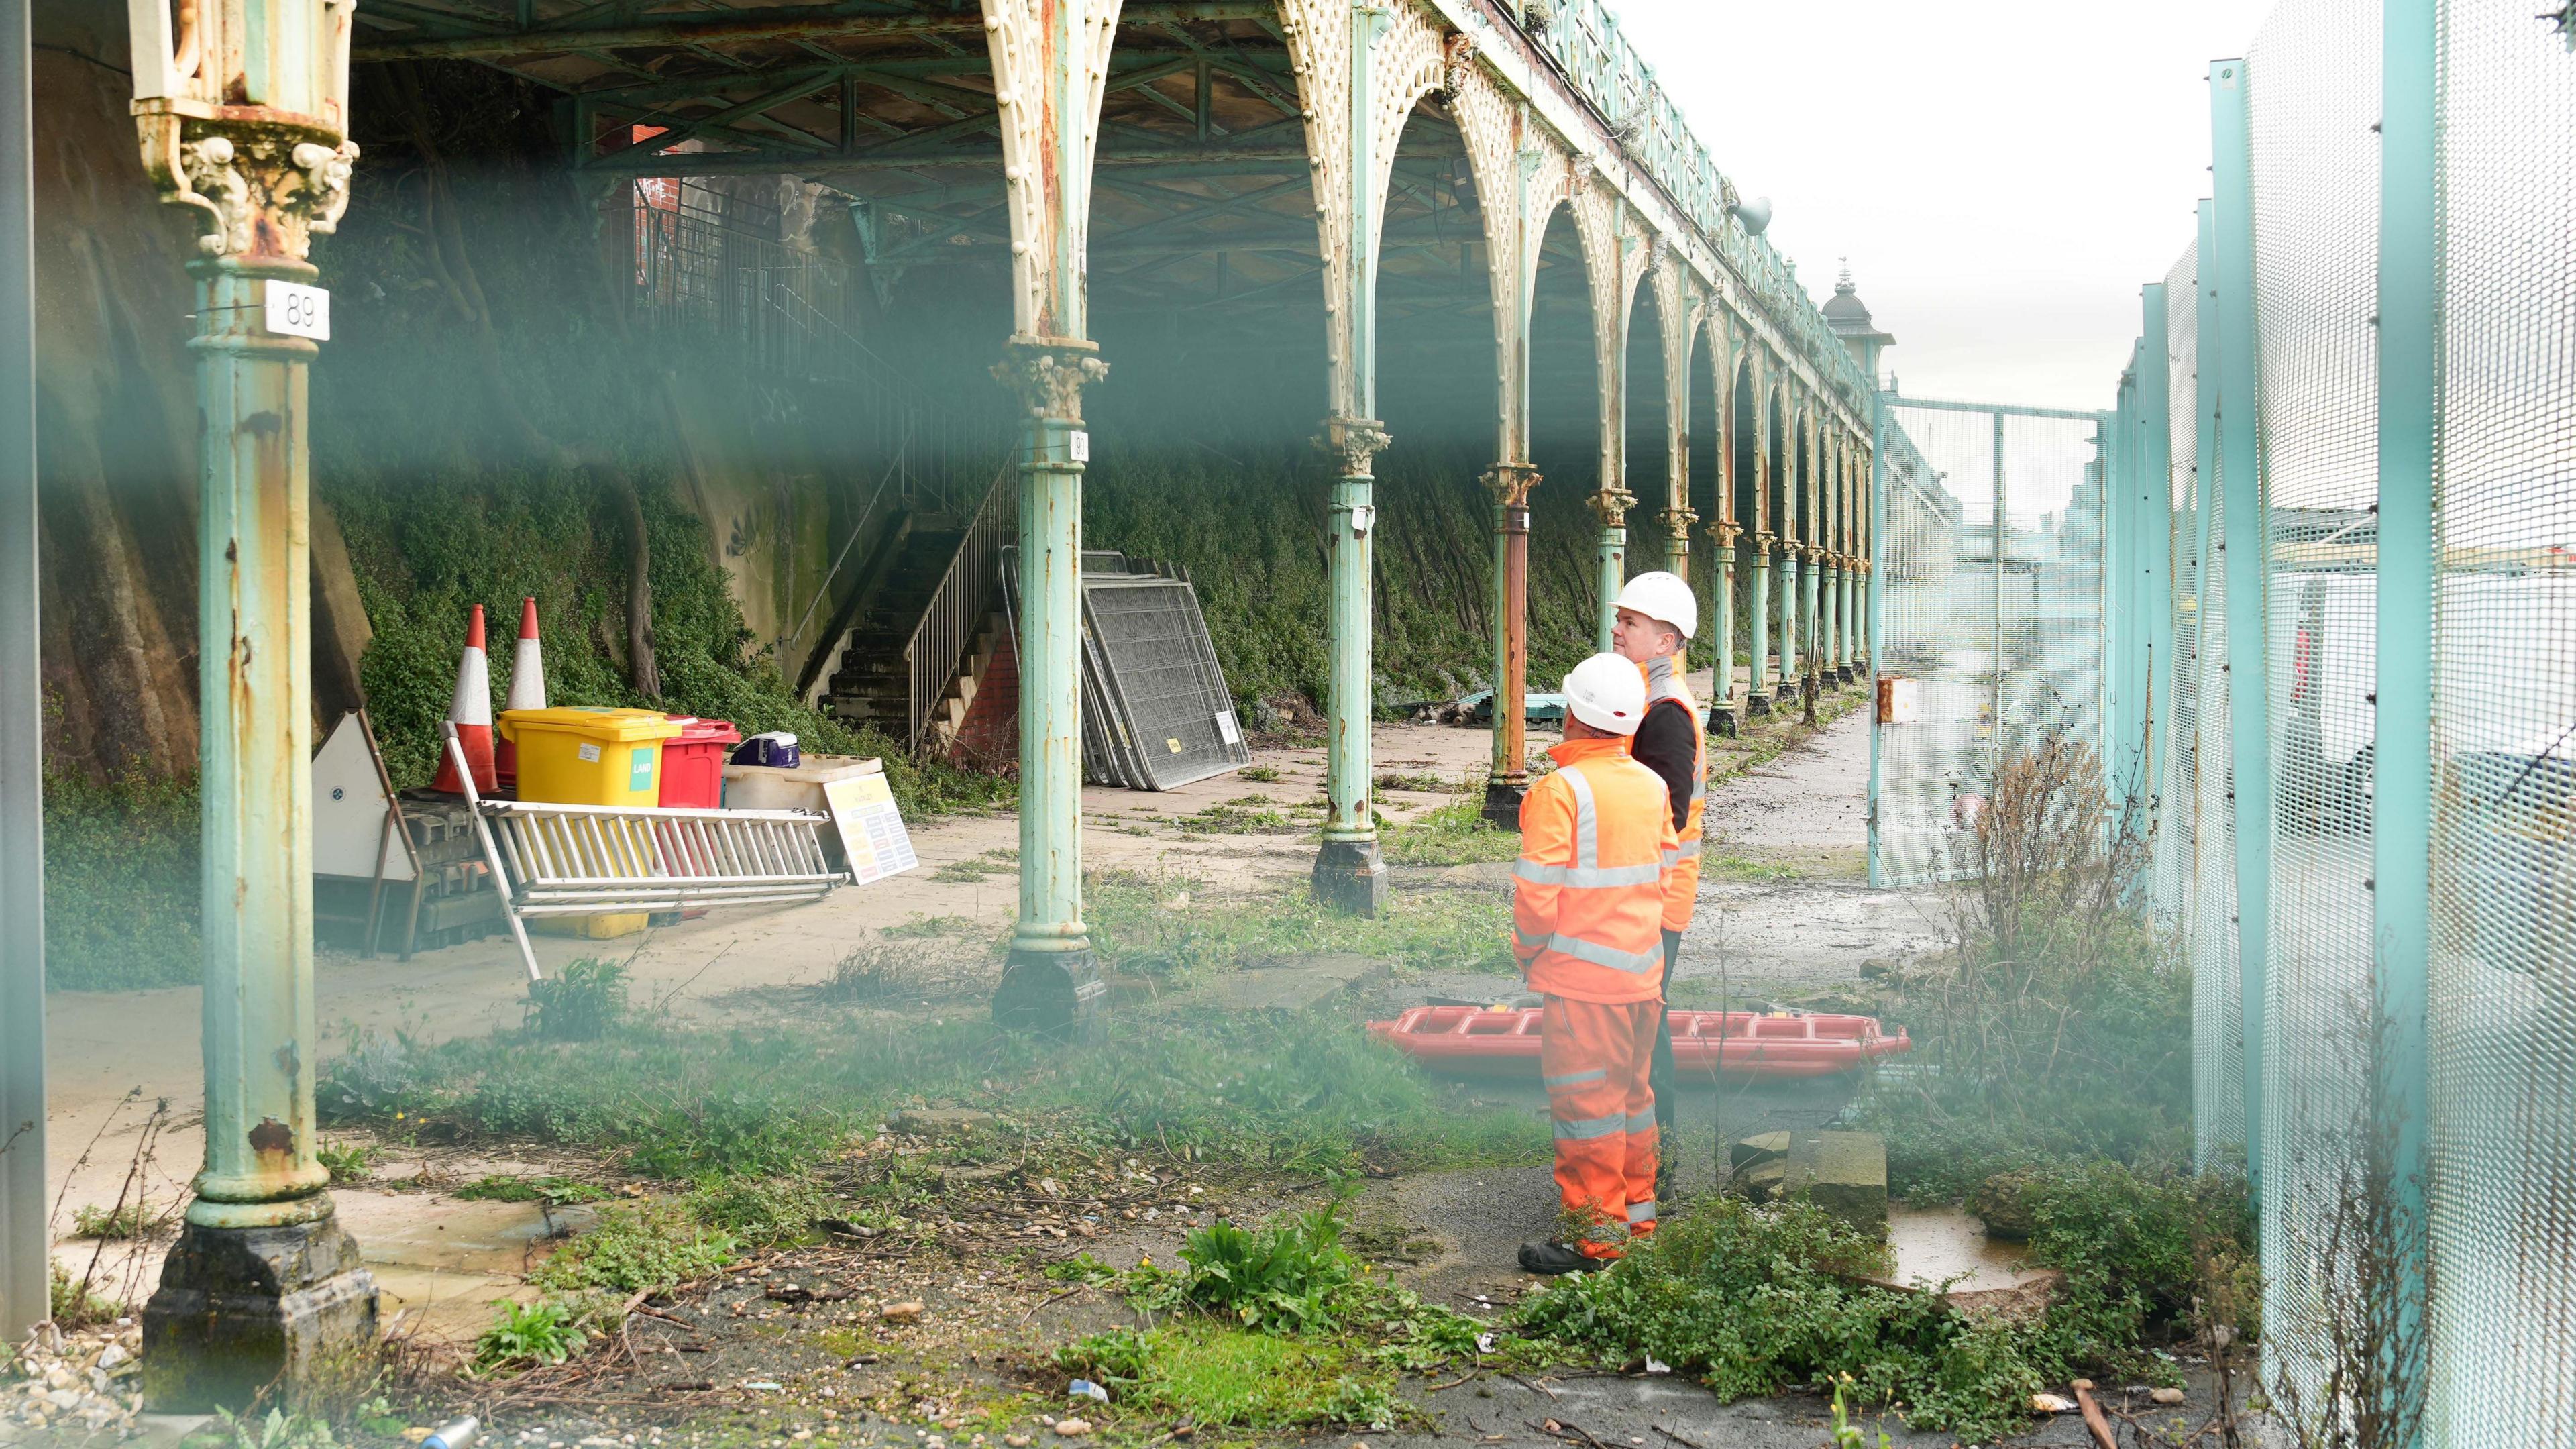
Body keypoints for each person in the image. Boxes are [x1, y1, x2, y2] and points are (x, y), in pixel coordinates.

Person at [1511, 653, 1681, 1275]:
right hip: (1641, 982)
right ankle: (1640, 1225)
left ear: (1573, 716)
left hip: (1582, 990)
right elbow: (1662, 881)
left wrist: (1529, 952)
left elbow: (1536, 894)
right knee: (1633, 1104)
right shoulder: (1653, 786)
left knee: (1587, 1114)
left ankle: (1595, 1241)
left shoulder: (1560, 791)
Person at [1607, 571, 1705, 1175]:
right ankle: (1647, 1157)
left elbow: (1662, 813)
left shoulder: (1665, 712)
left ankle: (1656, 1163)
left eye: (1631, 623)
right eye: (1620, 619)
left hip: (1655, 897)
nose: (1618, 629)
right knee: (1643, 1027)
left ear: (1666, 641)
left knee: (1647, 1033)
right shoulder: (1647, 697)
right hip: (1646, 893)